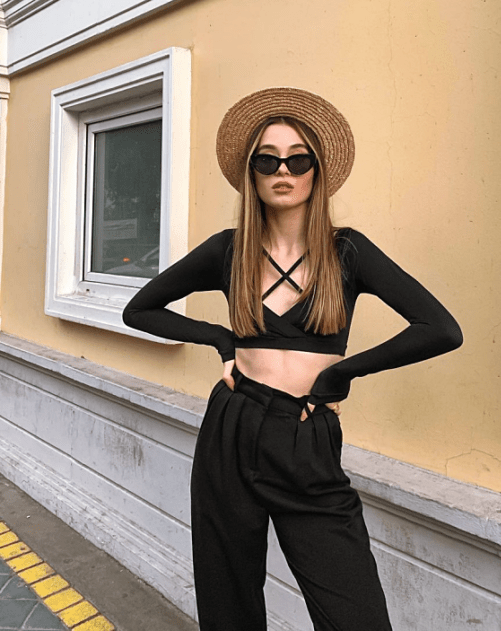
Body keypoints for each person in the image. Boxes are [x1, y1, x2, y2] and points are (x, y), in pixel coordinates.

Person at [123, 87, 463, 631]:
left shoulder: (347, 251)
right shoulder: (226, 250)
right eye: (267, 159)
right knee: (227, 597)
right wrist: (220, 338)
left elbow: (441, 329)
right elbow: (140, 310)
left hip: (307, 438)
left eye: (298, 158)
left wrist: (343, 372)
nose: (284, 170)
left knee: (356, 615)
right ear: (251, 173)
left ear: (316, 171)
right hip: (231, 428)